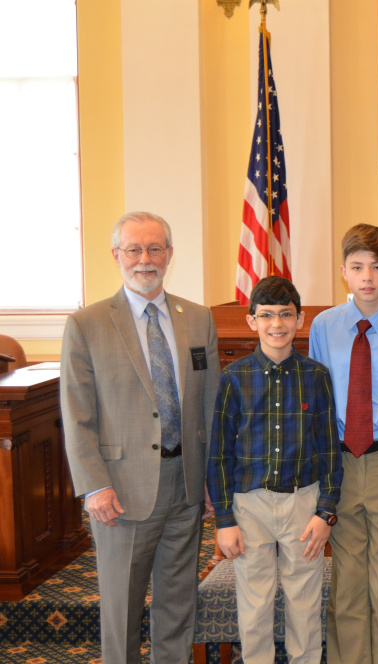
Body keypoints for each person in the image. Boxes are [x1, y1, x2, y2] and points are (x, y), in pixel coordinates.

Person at [61, 211, 221, 664]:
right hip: (120, 490)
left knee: (177, 604)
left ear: (169, 255)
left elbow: (208, 405)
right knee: (122, 607)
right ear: (117, 256)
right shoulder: (87, 324)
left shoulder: (198, 318)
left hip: (185, 485)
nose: (145, 259)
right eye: (134, 249)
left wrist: (213, 479)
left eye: (155, 249)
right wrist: (94, 484)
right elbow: (77, 414)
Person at [207, 276, 340, 664]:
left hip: (304, 503)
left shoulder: (316, 376)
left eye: (286, 315)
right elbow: (218, 455)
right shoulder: (234, 377)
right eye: (266, 316)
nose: (276, 324)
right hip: (250, 505)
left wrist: (325, 511)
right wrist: (224, 519)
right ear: (252, 322)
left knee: (304, 601)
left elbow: (330, 448)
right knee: (254, 603)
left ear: (300, 320)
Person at [308, 224, 378, 664]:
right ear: (343, 272)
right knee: (347, 579)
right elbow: (318, 404)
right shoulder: (325, 325)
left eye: (377, 267)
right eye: (357, 267)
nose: (368, 277)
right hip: (340, 463)